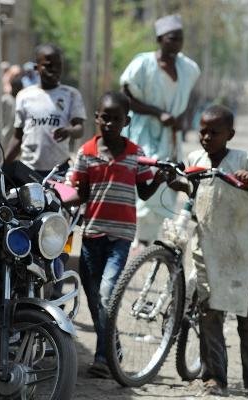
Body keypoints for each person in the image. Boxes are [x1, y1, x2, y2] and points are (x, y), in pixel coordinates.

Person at [69, 92, 170, 378]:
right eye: (105, 118)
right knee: (93, 296)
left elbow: (144, 190)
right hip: (91, 233)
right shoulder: (86, 153)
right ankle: (112, 346)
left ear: (127, 121)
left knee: (106, 293)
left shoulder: (135, 154)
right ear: (97, 118)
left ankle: (102, 358)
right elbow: (80, 192)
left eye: (116, 119)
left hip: (121, 235)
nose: (110, 123)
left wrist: (160, 179)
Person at [184, 105, 248, 397]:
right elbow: (191, 192)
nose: (206, 137)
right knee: (209, 314)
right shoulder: (195, 159)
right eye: (202, 130)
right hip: (207, 251)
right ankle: (214, 378)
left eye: (214, 132)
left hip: (241, 254)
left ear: (230, 134)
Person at [120, 14, 200, 244]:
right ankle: (137, 236)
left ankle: (152, 238)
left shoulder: (187, 68)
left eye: (180, 39)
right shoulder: (143, 64)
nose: (177, 44)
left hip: (171, 136)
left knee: (169, 177)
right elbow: (126, 97)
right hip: (143, 131)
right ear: (160, 39)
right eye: (172, 38)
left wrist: (180, 120)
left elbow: (186, 99)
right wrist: (156, 112)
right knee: (147, 174)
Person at [5, 43, 86, 178]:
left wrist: (69, 131)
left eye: (58, 65)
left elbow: (79, 129)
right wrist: (3, 165)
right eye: (48, 65)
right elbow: (18, 137)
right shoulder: (24, 96)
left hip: (59, 170)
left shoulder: (71, 95)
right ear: (37, 67)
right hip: (28, 170)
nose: (54, 70)